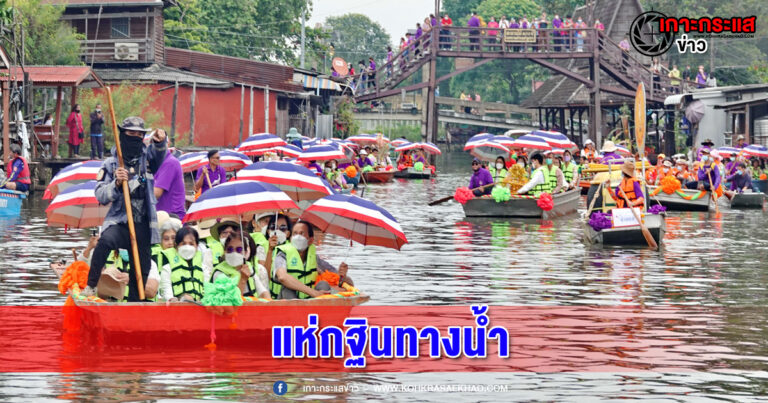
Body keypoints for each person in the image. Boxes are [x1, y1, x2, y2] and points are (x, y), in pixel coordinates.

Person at [83, 117, 167, 300]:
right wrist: (117, 183)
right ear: (122, 135)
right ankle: (90, 285)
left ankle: (135, 304)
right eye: (131, 134)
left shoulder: (148, 160)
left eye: (139, 134)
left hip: (144, 224)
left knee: (142, 270)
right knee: (105, 241)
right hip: (121, 221)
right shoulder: (111, 164)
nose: (135, 138)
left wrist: (161, 140)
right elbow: (101, 195)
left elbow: (159, 152)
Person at [271, 220, 347, 300]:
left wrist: (342, 275)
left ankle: (320, 310)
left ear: (310, 240)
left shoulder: (313, 257)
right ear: (290, 239)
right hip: (286, 300)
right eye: (295, 234)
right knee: (287, 289)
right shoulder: (282, 254)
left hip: (308, 300)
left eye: (302, 233)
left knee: (323, 284)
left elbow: (336, 277)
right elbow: (282, 277)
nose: (298, 237)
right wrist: (313, 293)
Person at [212, 231, 270, 299]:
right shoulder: (219, 273)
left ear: (245, 252)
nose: (234, 253)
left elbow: (263, 292)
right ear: (225, 251)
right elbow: (231, 303)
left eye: (239, 249)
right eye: (230, 249)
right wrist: (243, 279)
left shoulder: (248, 267)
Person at [160, 226, 209, 302]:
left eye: (191, 244)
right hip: (176, 308)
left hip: (199, 308)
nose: (187, 247)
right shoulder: (168, 267)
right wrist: (173, 299)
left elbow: (207, 290)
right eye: (183, 243)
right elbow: (166, 290)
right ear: (176, 246)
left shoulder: (203, 268)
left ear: (197, 246)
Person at [154, 149, 186, 220]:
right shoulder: (156, 164)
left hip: (171, 217)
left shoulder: (170, 162)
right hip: (162, 214)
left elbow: (156, 193)